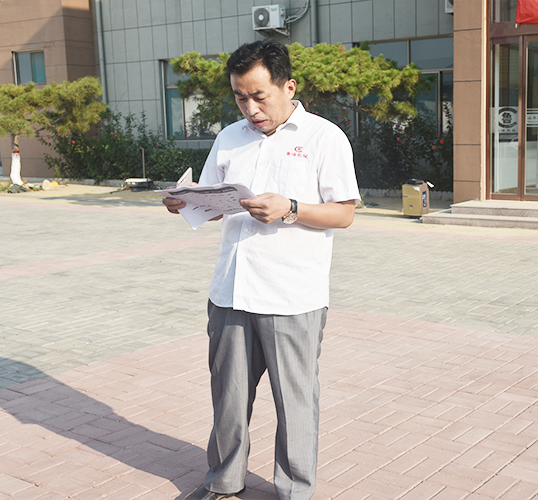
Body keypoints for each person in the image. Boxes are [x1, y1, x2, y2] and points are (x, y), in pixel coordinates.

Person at [163, 40, 360, 500]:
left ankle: (294, 491)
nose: (250, 109)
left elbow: (344, 213)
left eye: (259, 96)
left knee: (295, 402)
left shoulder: (324, 137)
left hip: (292, 295)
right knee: (228, 400)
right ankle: (223, 483)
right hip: (231, 290)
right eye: (239, 97)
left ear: (287, 86)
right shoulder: (230, 137)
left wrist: (290, 208)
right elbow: (216, 201)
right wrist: (187, 202)